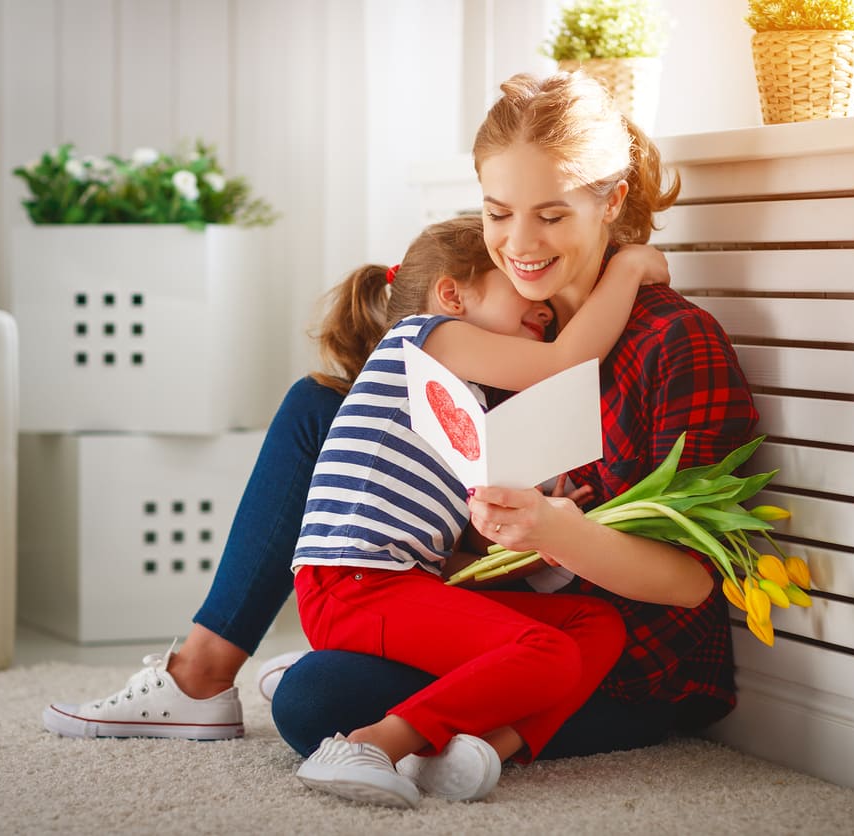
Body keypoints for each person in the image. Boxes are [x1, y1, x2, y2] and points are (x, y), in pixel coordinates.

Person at [271, 70, 758, 762]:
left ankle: (471, 740)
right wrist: (492, 545)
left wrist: (555, 532)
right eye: (498, 213)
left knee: (316, 697)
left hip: (622, 658)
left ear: (611, 202)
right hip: (509, 616)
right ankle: (205, 665)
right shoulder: (508, 340)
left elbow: (688, 582)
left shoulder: (673, 343)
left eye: (551, 215)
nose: (521, 242)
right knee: (313, 408)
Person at [289, 215, 667, 808]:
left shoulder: (464, 401)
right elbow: (567, 360)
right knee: (548, 652)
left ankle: (486, 746)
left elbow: (453, 546)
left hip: (395, 581)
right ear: (453, 293)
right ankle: (375, 743)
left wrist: (536, 535)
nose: (543, 309)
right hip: (354, 583)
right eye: (522, 289)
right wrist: (629, 267)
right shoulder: (426, 336)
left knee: (595, 625)